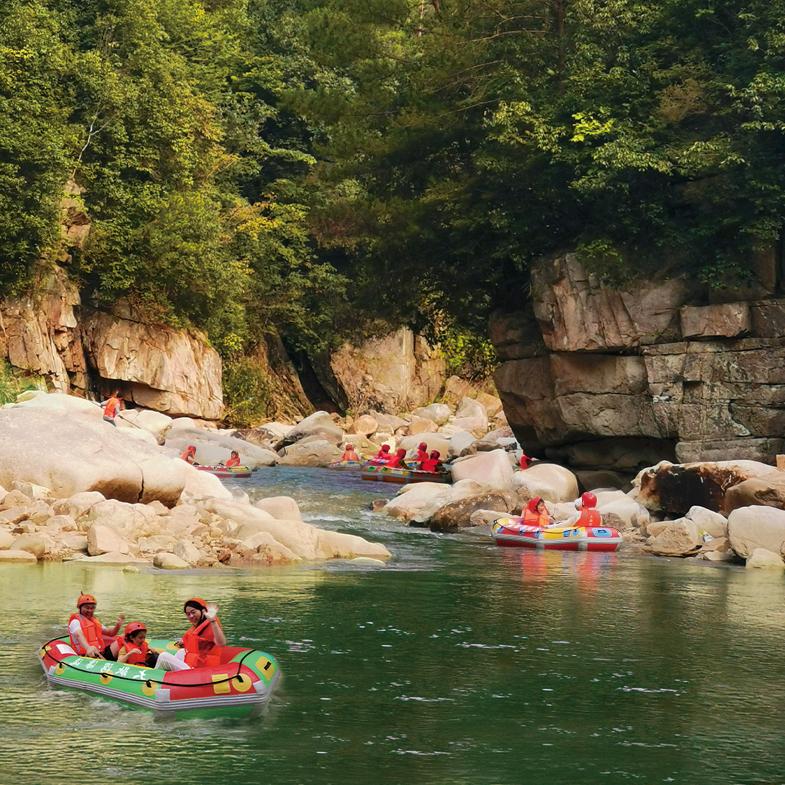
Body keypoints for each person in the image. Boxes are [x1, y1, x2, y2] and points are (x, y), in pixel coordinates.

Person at [155, 598, 227, 672]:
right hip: (194, 666)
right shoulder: (198, 626)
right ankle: (170, 676)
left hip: (201, 671)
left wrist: (213, 621)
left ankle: (152, 678)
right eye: (188, 614)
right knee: (182, 651)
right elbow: (197, 642)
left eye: (193, 612)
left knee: (163, 656)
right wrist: (185, 642)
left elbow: (221, 643)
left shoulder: (212, 624)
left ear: (203, 611)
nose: (191, 616)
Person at [68, 594, 125, 659]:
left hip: (100, 653)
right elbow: (79, 635)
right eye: (87, 607)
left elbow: (111, 633)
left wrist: (117, 625)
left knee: (123, 638)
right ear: (79, 608)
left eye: (92, 608)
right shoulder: (75, 622)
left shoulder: (94, 621)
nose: (90, 610)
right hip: (85, 656)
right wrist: (88, 648)